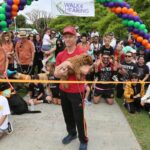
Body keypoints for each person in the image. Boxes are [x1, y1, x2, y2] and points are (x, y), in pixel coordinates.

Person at [54, 26, 90, 150]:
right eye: (66, 37)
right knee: (67, 115)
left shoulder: (81, 52)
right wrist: (62, 73)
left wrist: (68, 64)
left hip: (77, 91)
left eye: (70, 36)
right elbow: (55, 73)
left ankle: (83, 139)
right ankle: (72, 133)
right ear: (63, 38)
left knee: (79, 117)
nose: (68, 39)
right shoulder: (60, 54)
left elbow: (86, 70)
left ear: (75, 38)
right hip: (64, 90)